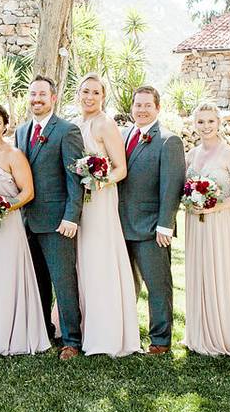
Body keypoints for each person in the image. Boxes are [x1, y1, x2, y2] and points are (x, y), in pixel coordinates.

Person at [14, 76, 85, 360]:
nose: (36, 99)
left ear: (53, 98)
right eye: (32, 94)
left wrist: (72, 217)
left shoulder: (67, 131)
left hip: (57, 222)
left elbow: (75, 179)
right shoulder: (21, 131)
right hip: (27, 221)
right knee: (38, 280)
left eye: (42, 94)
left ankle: (72, 340)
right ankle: (44, 329)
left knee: (63, 281)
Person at [183, 102, 230, 357]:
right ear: (195, 124)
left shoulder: (228, 154)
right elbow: (185, 187)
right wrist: (191, 203)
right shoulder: (192, 155)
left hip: (220, 222)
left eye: (210, 121)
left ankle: (224, 333)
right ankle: (200, 333)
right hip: (195, 223)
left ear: (219, 123)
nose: (206, 127)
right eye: (201, 122)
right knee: (200, 271)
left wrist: (217, 207)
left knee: (219, 270)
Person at [0, 103, 49, 356]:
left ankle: (13, 336)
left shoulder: (14, 155)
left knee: (6, 279)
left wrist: (3, 207)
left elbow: (27, 192)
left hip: (7, 226)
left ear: (5, 126)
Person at [74, 74, 140, 357]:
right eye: (85, 91)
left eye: (95, 93)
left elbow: (121, 168)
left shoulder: (105, 123)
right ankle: (83, 323)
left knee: (100, 259)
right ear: (78, 94)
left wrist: (100, 181)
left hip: (100, 199)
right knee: (82, 259)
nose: (90, 97)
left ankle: (106, 331)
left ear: (103, 96)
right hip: (80, 201)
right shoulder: (77, 123)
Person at [117, 86, 186, 355]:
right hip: (120, 225)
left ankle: (160, 339)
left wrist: (165, 225)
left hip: (151, 227)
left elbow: (172, 187)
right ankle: (126, 333)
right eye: (138, 105)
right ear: (131, 108)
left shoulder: (169, 141)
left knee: (157, 286)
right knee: (124, 284)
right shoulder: (123, 136)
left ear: (158, 108)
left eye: (148, 105)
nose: (142, 110)